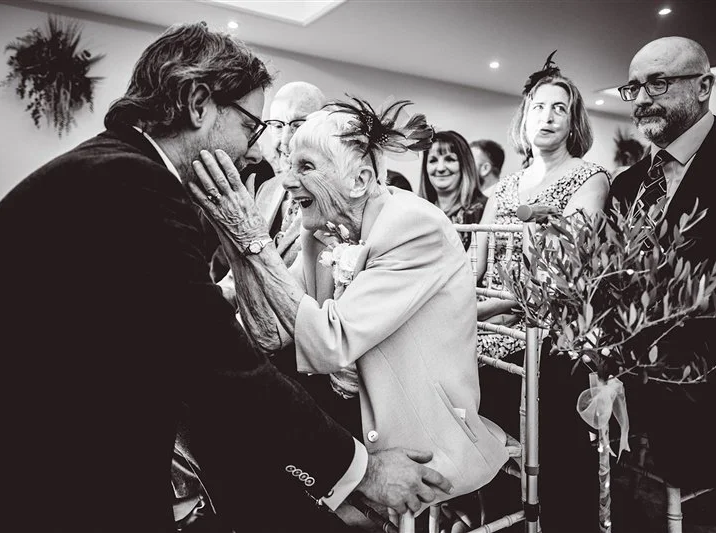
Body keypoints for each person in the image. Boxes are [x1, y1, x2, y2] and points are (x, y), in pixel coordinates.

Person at [0, 22, 453, 533]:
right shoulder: (131, 185)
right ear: (199, 104)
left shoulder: (117, 169)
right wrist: (360, 472)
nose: (256, 154)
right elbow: (216, 361)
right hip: (45, 469)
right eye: (252, 126)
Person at [189, 96, 509, 513]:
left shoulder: (414, 226)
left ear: (359, 180)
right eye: (289, 164)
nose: (286, 180)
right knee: (237, 411)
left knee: (257, 435)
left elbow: (328, 345)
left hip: (411, 417)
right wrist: (234, 241)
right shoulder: (320, 226)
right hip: (345, 395)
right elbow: (271, 334)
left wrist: (253, 239)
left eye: (305, 167)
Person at [612, 35, 716, 490]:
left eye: (657, 83)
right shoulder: (626, 185)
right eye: (633, 88)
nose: (641, 99)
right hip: (633, 391)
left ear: (703, 86)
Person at [474, 55, 609, 364]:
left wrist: (487, 311)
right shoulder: (505, 185)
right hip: (484, 314)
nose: (547, 117)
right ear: (525, 118)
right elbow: (472, 261)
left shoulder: (589, 178)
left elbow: (563, 273)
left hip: (543, 325)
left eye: (559, 109)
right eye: (538, 107)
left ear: (574, 123)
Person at [258, 81, 327, 268]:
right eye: (278, 126)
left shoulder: (333, 194)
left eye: (298, 125)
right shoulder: (266, 188)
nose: (286, 140)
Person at [419, 130, 488, 249]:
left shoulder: (483, 210)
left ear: (464, 166)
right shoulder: (418, 210)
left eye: (450, 159)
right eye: (433, 160)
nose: (440, 168)